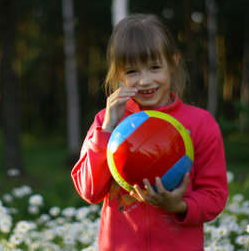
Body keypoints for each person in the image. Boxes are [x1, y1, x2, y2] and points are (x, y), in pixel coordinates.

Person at [71, 14, 228, 251]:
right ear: (118, 74)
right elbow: (89, 191)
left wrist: (179, 206)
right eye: (132, 71)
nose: (145, 81)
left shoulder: (200, 124)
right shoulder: (106, 121)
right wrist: (107, 129)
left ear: (173, 62)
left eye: (155, 67)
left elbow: (214, 196)